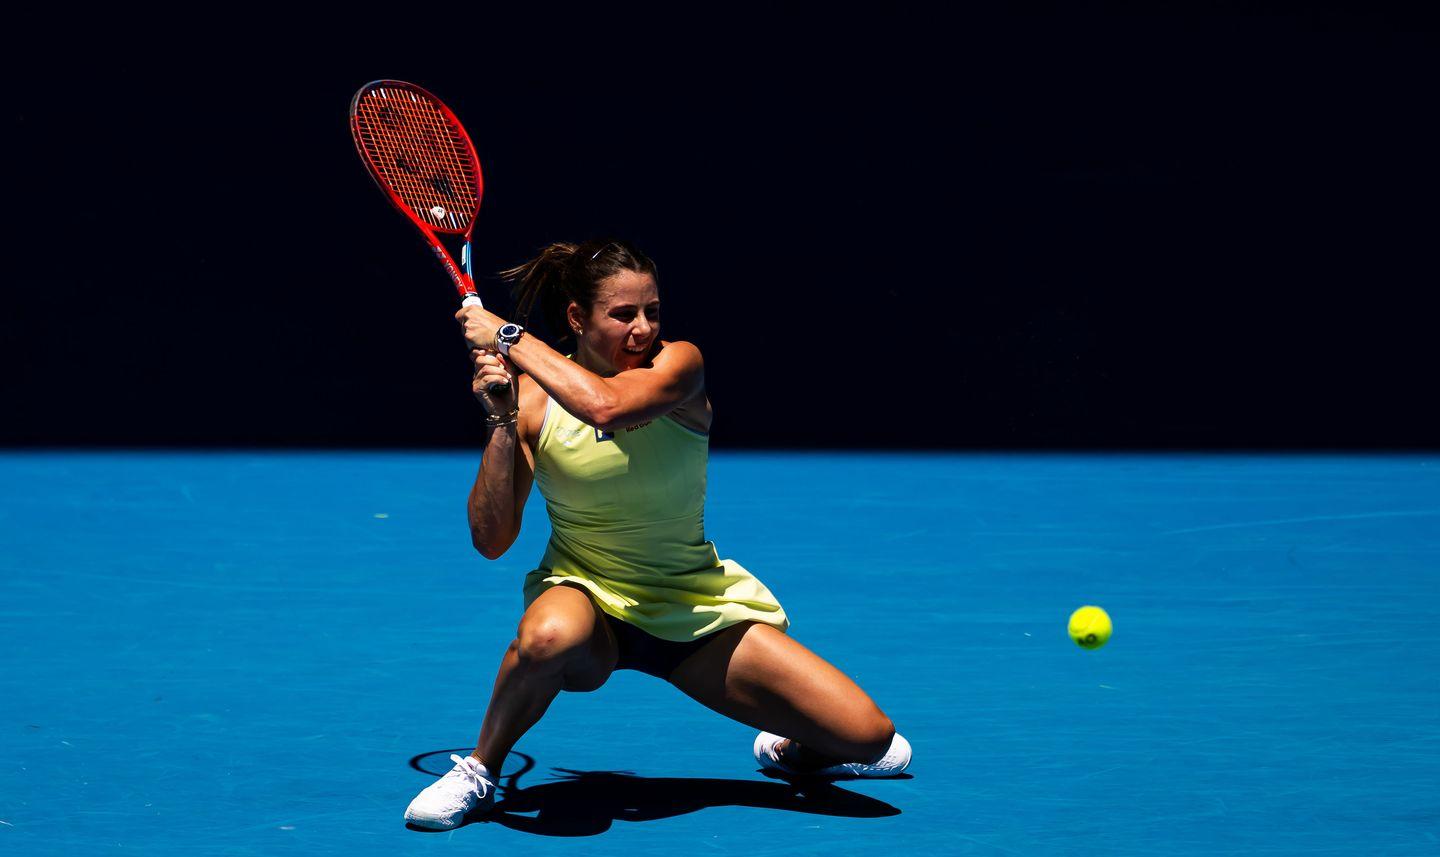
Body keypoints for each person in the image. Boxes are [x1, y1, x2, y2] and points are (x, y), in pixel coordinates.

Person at [403, 239, 911, 829]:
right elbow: (491, 540)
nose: (643, 328)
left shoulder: (680, 366)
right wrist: (499, 419)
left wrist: (507, 336)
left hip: (691, 607)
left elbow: (606, 408)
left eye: (652, 311)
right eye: (623, 314)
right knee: (545, 637)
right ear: (577, 318)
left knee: (872, 740)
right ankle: (481, 770)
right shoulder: (533, 402)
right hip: (586, 597)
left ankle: (791, 751)